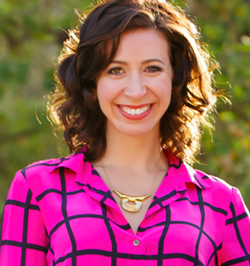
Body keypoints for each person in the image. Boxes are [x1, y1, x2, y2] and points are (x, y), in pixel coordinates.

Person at [1, 0, 250, 265]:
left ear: (175, 79)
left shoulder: (221, 203)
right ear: (92, 83)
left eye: (152, 69)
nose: (135, 91)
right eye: (115, 70)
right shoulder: (37, 187)